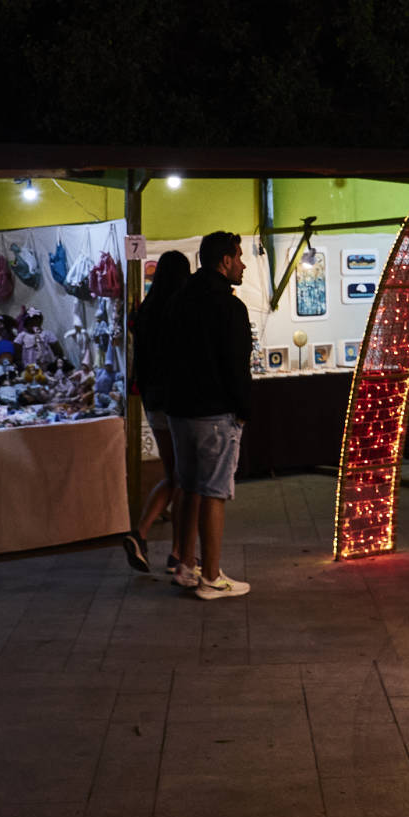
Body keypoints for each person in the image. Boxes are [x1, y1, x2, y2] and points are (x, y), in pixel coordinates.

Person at [164, 231, 252, 599]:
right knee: (214, 491)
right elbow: (236, 364)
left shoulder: (179, 299)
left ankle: (186, 565)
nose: (243, 264)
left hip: (179, 410)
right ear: (225, 261)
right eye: (239, 257)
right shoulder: (229, 306)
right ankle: (212, 577)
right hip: (215, 412)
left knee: (187, 484)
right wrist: (243, 409)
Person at [123, 250, 192, 575]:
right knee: (184, 478)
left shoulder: (146, 310)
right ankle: (179, 553)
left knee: (173, 474)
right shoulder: (179, 309)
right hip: (178, 400)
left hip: (152, 400)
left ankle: (141, 534)